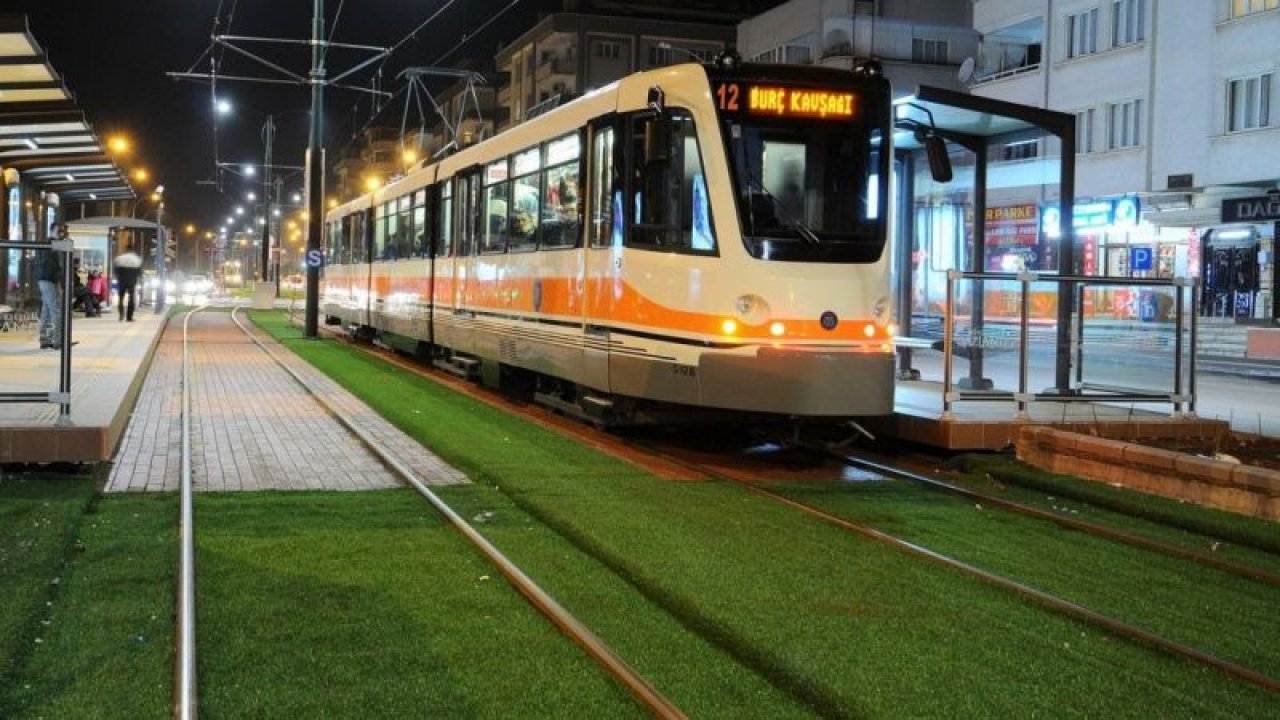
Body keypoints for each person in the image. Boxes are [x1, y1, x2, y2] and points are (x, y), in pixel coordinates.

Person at [35, 222, 66, 349]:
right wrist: (59, 283)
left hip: (44, 279)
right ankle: (57, 341)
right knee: (55, 309)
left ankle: (44, 339)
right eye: (60, 231)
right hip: (49, 280)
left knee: (46, 310)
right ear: (53, 230)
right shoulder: (53, 245)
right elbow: (56, 266)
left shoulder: (47, 244)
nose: (62, 234)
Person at [113, 244, 143, 322]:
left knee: (121, 298)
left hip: (122, 280)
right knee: (131, 298)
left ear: (126, 250)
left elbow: (115, 271)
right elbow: (140, 273)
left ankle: (121, 315)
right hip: (132, 281)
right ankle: (129, 317)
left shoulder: (119, 259)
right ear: (132, 250)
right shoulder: (137, 259)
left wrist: (118, 277)